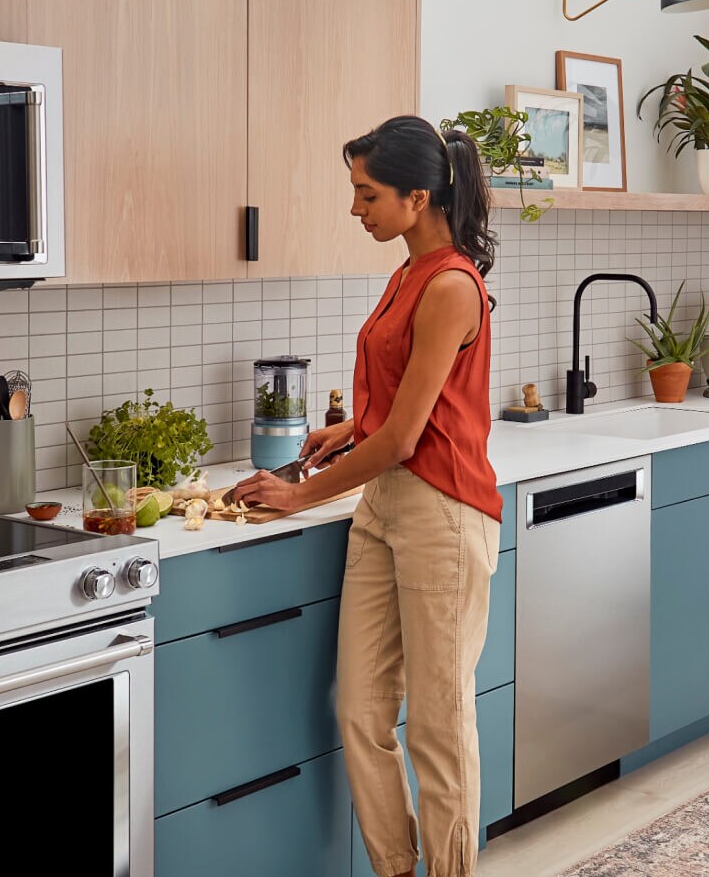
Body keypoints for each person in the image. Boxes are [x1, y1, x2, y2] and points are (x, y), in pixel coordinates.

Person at [231, 115, 500, 877]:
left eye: (367, 193)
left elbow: (411, 438)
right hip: (386, 505)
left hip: (442, 516)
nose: (356, 209)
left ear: (418, 196)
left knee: (439, 730)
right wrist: (348, 428)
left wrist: (298, 496)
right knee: (359, 713)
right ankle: (395, 868)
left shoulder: (450, 285)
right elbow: (403, 407)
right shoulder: (406, 273)